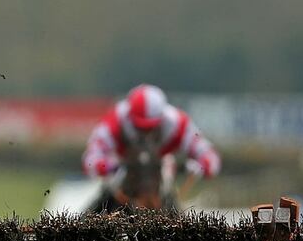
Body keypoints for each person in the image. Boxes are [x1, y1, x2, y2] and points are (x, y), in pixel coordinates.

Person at [81, 84, 220, 212]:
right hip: (123, 174)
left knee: (174, 208)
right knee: (95, 207)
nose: (145, 133)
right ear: (130, 116)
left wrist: (201, 166)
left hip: (161, 175)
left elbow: (211, 159)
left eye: (150, 127)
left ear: (161, 118)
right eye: (140, 127)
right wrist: (107, 166)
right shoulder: (115, 120)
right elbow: (89, 159)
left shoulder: (178, 123)